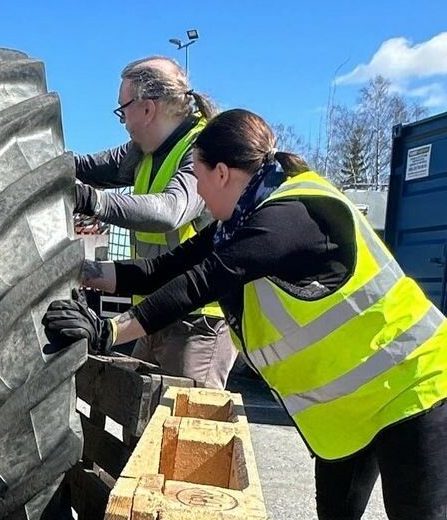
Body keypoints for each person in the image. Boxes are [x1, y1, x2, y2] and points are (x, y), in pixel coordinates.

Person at [44, 108, 447, 519]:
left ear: (222, 173)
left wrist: (108, 332)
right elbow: (161, 270)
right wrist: (79, 272)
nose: (197, 190)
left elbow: (199, 284)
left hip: (415, 389)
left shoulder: (289, 217)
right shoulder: (236, 224)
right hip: (351, 409)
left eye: (198, 177)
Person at [73, 56, 235, 389]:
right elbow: (84, 166)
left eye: (123, 110)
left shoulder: (202, 150)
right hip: (154, 312)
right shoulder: (142, 151)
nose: (123, 121)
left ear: (147, 109)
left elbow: (171, 210)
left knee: (187, 429)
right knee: (144, 424)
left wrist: (94, 202)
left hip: (197, 322)